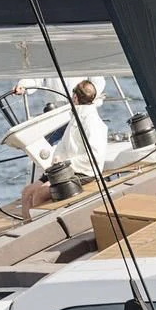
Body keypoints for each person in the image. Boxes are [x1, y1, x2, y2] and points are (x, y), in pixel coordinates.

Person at [20, 79, 110, 219]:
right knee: (27, 192)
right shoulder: (77, 116)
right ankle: (26, 226)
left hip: (82, 172)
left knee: (39, 194)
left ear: (75, 98)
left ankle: (41, 230)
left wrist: (65, 163)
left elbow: (94, 158)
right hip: (61, 170)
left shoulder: (92, 122)